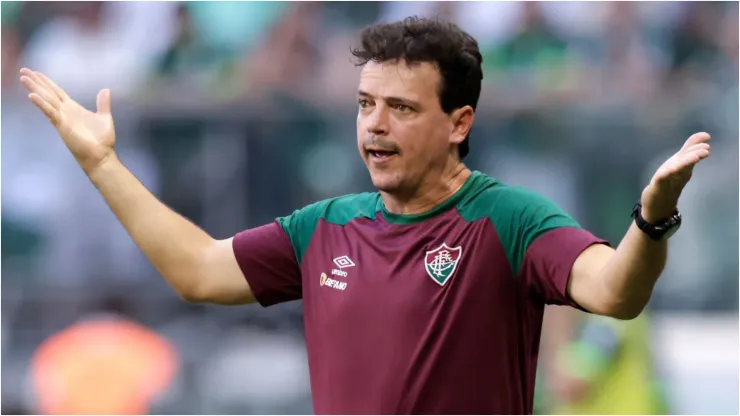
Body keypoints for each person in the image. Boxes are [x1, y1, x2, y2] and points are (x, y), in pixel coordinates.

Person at [19, 16, 711, 415]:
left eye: (402, 109)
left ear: (458, 122)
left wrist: (651, 220)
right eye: (364, 105)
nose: (374, 127)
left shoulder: (510, 218)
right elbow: (198, 271)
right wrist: (102, 165)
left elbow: (614, 291)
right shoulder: (323, 228)